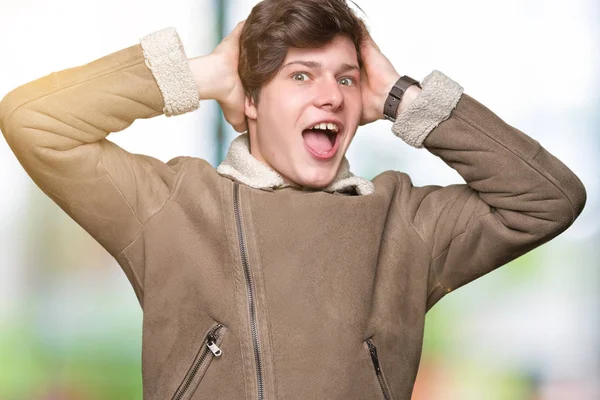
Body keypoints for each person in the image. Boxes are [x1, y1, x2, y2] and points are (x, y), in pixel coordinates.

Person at [0, 0, 587, 398]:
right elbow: (32, 120)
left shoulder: (405, 221)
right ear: (250, 99)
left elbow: (549, 198)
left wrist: (404, 97)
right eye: (301, 76)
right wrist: (202, 74)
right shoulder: (169, 204)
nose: (330, 95)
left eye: (347, 78)